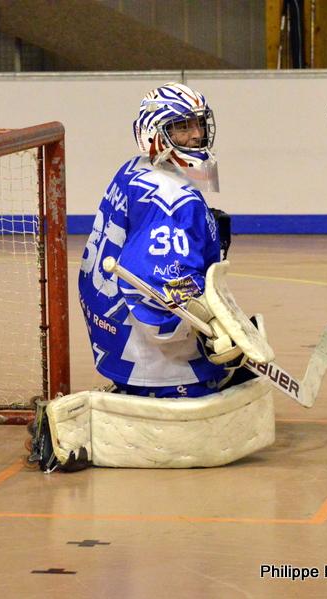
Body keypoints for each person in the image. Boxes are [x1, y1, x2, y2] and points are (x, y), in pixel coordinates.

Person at [77, 82, 239, 399]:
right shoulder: (175, 201)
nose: (195, 135)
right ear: (155, 133)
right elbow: (156, 292)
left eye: (198, 124)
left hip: (106, 326)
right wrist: (211, 325)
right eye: (181, 127)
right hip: (148, 358)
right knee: (221, 378)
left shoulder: (134, 168)